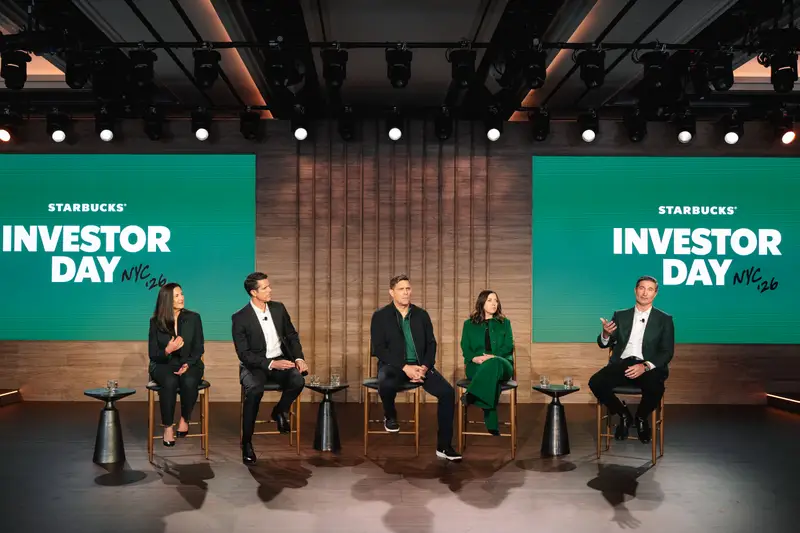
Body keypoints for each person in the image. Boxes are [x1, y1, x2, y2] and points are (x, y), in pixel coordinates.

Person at [370, 274, 461, 461]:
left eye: (408, 289)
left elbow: (431, 343)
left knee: (447, 393)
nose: (406, 292)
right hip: (394, 367)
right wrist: (405, 367)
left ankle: (444, 446)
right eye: (401, 289)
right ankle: (390, 416)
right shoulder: (380, 316)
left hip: (421, 367)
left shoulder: (421, 315)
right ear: (391, 292)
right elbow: (379, 349)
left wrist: (425, 367)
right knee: (385, 380)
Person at [232, 272, 308, 465]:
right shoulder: (240, 317)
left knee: (298, 380)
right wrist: (270, 364)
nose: (269, 290)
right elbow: (244, 354)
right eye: (265, 288)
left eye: (269, 286)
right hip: (255, 366)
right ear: (253, 292)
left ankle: (279, 410)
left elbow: (291, 335)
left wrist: (299, 358)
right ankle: (247, 443)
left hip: (280, 361)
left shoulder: (278, 309)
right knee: (255, 390)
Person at [588, 275, 674, 444]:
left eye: (650, 289)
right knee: (596, 382)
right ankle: (623, 414)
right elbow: (605, 343)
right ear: (635, 291)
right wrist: (606, 334)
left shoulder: (664, 319)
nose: (645, 293)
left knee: (656, 386)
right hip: (623, 364)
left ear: (655, 294)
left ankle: (641, 418)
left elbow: (666, 352)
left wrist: (645, 366)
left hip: (648, 366)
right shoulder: (620, 315)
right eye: (642, 288)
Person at [148, 283, 205, 446]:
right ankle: (167, 427)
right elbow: (153, 354)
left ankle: (184, 418)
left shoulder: (194, 318)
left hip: (190, 362)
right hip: (163, 364)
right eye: (177, 296)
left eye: (182, 294)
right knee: (170, 382)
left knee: (188, 380)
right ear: (167, 300)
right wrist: (168, 350)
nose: (182, 298)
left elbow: (199, 347)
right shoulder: (155, 322)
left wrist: (188, 363)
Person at [459, 290, 514, 436]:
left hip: (502, 364)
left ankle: (471, 393)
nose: (494, 303)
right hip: (476, 365)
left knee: (493, 364)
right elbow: (465, 346)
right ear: (481, 303)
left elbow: (508, 346)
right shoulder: (468, 324)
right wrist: (474, 358)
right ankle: (491, 418)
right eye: (489, 300)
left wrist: (493, 357)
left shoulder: (505, 323)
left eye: (496, 300)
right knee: (490, 378)